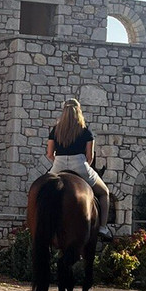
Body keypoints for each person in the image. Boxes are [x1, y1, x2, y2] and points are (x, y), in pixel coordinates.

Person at [45, 98, 113, 239]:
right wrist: (84, 164)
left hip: (59, 164)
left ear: (64, 112)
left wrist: (58, 161)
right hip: (80, 164)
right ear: (79, 111)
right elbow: (90, 157)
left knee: (43, 190)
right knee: (104, 192)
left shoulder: (55, 130)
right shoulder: (86, 131)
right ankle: (103, 227)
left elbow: (49, 154)